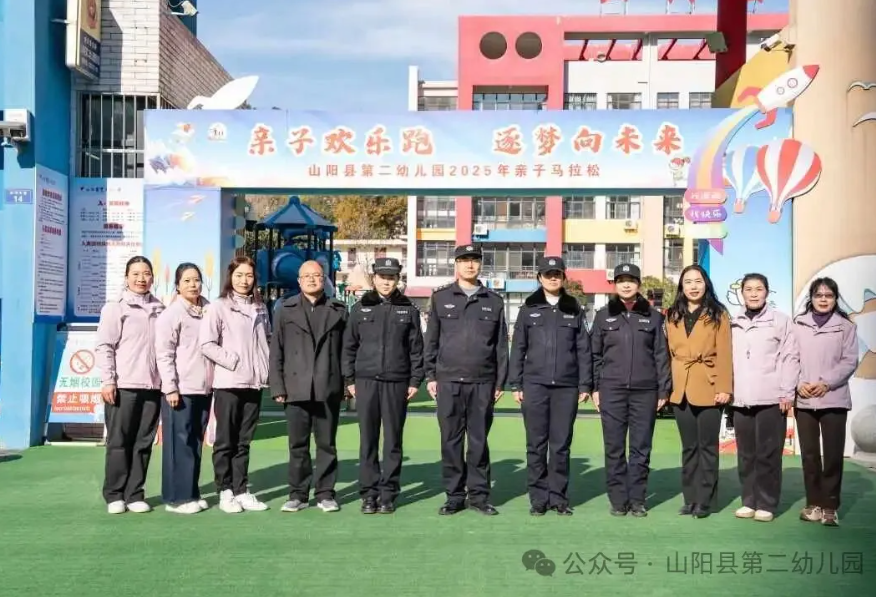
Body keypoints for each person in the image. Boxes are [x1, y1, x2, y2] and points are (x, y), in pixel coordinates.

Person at [424, 244, 508, 516]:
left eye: (474, 260)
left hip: (482, 382)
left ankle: (480, 496)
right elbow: (431, 340)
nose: (470, 265)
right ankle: (454, 496)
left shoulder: (494, 301)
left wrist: (500, 382)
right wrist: (430, 375)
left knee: (479, 442)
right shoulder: (440, 297)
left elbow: (500, 346)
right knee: (450, 442)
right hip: (448, 381)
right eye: (464, 260)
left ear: (481, 264)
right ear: (456, 264)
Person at [508, 256, 592, 516]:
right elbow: (518, 348)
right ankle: (538, 499)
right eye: (548, 274)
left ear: (563, 277)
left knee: (561, 445)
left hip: (566, 387)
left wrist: (585, 384)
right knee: (536, 445)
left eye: (557, 274)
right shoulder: (528, 309)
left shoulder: (574, 308)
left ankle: (559, 498)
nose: (553, 278)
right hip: (534, 386)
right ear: (539, 278)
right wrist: (516, 383)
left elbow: (583, 349)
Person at [342, 257, 424, 514]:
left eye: (392, 278)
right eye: (382, 277)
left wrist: (415, 381)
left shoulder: (408, 309)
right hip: (365, 382)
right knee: (368, 440)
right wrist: (350, 380)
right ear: (374, 278)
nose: (387, 282)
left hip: (397, 383)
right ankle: (369, 494)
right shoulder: (359, 309)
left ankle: (388, 494)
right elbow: (348, 347)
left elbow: (416, 349)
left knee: (393, 441)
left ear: (398, 279)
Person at [590, 263, 671, 517]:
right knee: (614, 447)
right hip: (611, 391)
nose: (626, 284)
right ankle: (618, 500)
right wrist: (595, 388)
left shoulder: (654, 317)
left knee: (641, 448)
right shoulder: (603, 316)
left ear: (639, 284)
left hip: (645, 392)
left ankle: (637, 500)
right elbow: (594, 355)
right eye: (621, 280)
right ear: (615, 284)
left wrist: (663, 390)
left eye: (631, 280)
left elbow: (661, 355)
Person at [270, 260, 349, 513]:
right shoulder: (285, 309)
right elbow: (276, 350)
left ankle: (325, 493)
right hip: (295, 387)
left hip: (328, 385)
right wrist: (277, 386)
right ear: (299, 280)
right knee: (297, 445)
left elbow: (346, 351)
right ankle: (298, 494)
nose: (312, 279)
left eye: (317, 275)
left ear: (324, 279)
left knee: (327, 444)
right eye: (307, 276)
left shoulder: (338, 309)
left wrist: (347, 384)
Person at [200, 256, 271, 514]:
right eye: (239, 275)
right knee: (225, 441)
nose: (244, 280)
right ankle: (225, 490)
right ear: (230, 277)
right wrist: (233, 361)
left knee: (244, 441)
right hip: (229, 383)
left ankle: (241, 489)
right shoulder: (219, 307)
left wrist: (264, 367)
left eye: (249, 275)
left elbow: (267, 340)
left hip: (254, 383)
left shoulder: (260, 308)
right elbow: (207, 344)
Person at [95, 256, 166, 514]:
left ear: (152, 278)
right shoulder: (116, 308)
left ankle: (135, 493)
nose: (141, 278)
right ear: (126, 278)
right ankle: (114, 494)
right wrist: (108, 380)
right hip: (123, 385)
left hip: (152, 386)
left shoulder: (160, 309)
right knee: (119, 441)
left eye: (146, 273)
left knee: (143, 442)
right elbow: (105, 346)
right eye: (135, 274)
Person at [730, 273, 800, 522]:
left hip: (771, 398)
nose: (753, 293)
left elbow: (790, 356)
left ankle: (767, 503)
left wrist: (787, 391)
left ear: (767, 293)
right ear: (742, 293)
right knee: (746, 454)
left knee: (768, 454)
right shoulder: (732, 322)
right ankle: (749, 501)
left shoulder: (780, 321)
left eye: (758, 289)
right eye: (748, 289)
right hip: (741, 398)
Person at [665, 265, 733, 519]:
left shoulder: (718, 314)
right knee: (689, 447)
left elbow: (725, 352)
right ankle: (690, 498)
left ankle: (706, 500)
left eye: (698, 281)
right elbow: (668, 352)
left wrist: (724, 387)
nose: (693, 286)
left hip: (709, 385)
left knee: (708, 447)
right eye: (688, 282)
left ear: (706, 284)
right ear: (681, 287)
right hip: (680, 387)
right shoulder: (672, 314)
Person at [793, 277, 859, 526]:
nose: (823, 299)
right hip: (804, 399)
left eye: (828, 295)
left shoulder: (846, 327)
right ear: (811, 298)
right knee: (810, 456)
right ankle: (814, 504)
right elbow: (790, 357)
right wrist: (799, 383)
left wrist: (826, 383)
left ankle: (830, 506)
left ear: (835, 299)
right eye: (818, 295)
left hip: (834, 398)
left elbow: (849, 361)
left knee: (832, 455)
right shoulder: (798, 324)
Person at [155, 263, 213, 515]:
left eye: (196, 280)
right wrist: (170, 387)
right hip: (180, 388)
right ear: (177, 285)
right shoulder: (172, 314)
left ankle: (191, 492)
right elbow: (164, 353)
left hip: (204, 387)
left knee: (195, 442)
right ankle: (176, 498)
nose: (193, 285)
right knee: (179, 444)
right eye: (187, 280)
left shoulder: (209, 310)